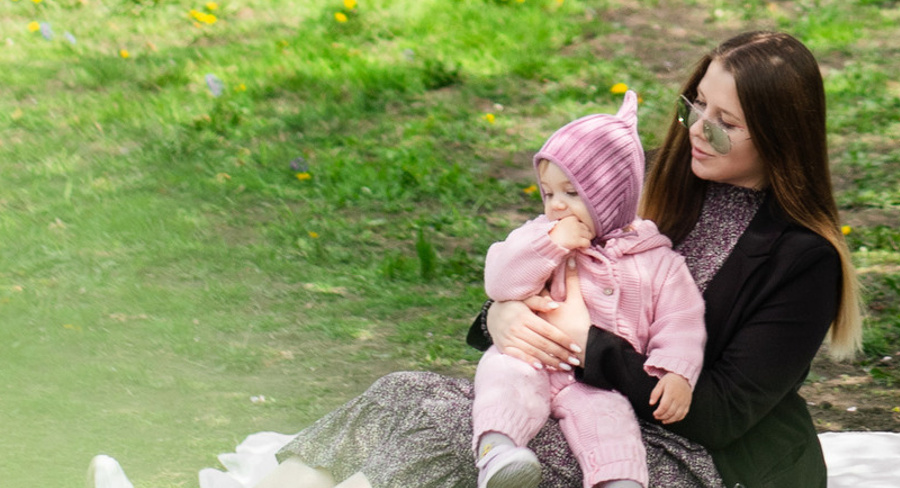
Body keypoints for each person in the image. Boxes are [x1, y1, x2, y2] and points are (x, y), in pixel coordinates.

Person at [258, 28, 861, 488]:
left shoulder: (802, 259)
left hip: (704, 459)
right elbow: (550, 262)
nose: (698, 130)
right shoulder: (654, 177)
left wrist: (584, 341)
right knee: (402, 395)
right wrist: (503, 316)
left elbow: (721, 416)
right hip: (576, 401)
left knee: (445, 439)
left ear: (781, 137)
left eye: (725, 123)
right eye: (695, 105)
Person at [473, 91, 704, 488]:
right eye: (548, 193)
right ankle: (499, 452)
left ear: (611, 198)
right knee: (502, 374)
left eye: (572, 193)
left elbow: (681, 321)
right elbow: (500, 280)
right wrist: (551, 244)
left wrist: (677, 372)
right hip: (533, 360)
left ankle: (618, 481)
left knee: (612, 420)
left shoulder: (657, 262)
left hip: (596, 380)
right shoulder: (539, 238)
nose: (556, 206)